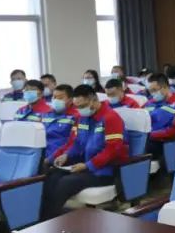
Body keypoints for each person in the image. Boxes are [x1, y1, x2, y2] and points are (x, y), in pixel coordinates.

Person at [42, 85, 129, 220]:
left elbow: (112, 150)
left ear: (94, 100)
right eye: (77, 106)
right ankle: (47, 218)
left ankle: (48, 220)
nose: (80, 110)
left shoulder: (111, 118)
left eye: (82, 106)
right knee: (51, 176)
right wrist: (66, 155)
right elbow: (76, 143)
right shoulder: (81, 117)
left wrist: (88, 165)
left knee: (65, 183)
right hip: (83, 166)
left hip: (105, 171)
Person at [143, 74, 175, 160]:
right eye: (150, 91)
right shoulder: (149, 103)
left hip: (164, 143)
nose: (152, 94)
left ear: (165, 87)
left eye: (154, 90)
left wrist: (151, 135)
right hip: (148, 139)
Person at [45, 84, 77, 160]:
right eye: (54, 97)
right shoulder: (47, 114)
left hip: (61, 157)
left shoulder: (76, 116)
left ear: (70, 100)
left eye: (60, 98)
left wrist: (51, 159)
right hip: (42, 153)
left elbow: (75, 142)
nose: (56, 100)